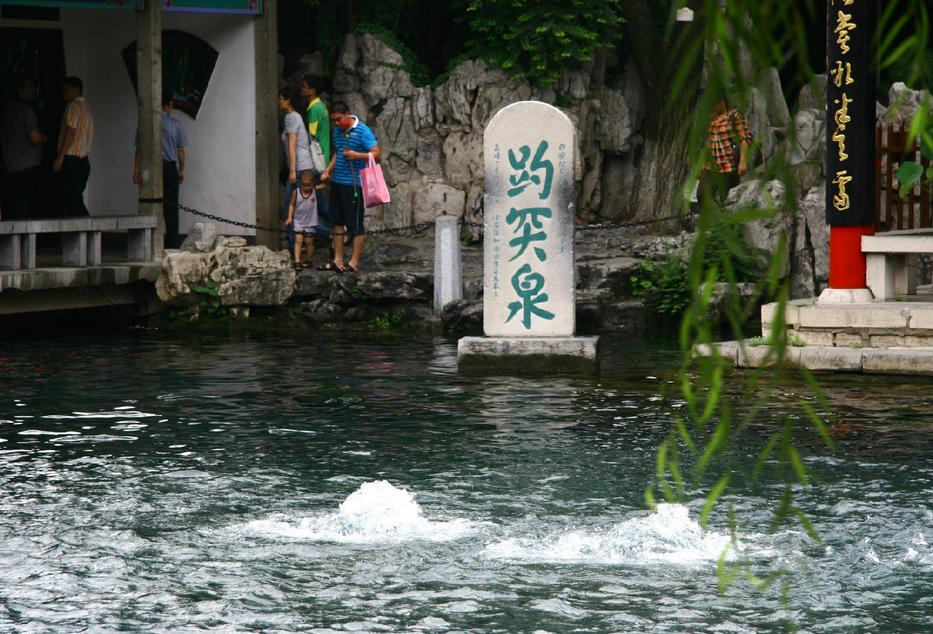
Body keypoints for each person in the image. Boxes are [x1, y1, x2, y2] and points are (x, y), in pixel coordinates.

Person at [319, 101, 380, 273]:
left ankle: (354, 262)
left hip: (355, 184)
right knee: (337, 222)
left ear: (347, 114)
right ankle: (337, 260)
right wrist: (328, 170)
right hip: (337, 182)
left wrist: (357, 155)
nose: (336, 124)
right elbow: (338, 152)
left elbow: (376, 154)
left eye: (339, 120)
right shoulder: (337, 132)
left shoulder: (362, 130)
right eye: (333, 121)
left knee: (355, 225)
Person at [134, 95, 188, 248]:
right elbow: (181, 151)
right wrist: (182, 170)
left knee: (149, 204)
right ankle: (171, 243)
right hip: (170, 168)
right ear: (167, 106)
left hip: (150, 169)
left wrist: (136, 171)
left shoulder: (144, 124)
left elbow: (139, 150)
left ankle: (149, 243)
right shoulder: (176, 125)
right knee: (171, 207)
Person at [1, 76, 46, 219]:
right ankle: (28, 240)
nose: (33, 91)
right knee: (27, 205)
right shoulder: (26, 111)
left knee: (14, 205)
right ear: (19, 90)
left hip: (10, 166)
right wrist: (46, 137)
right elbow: (34, 137)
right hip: (29, 166)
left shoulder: (6, 111)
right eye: (29, 87)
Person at [278, 84, 314, 258]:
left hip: (299, 168)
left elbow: (292, 144)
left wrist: (292, 171)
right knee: (313, 206)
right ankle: (336, 231)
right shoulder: (296, 117)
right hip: (303, 166)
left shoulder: (291, 117)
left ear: (288, 101)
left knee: (291, 207)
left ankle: (294, 246)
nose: (279, 102)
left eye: (280, 98)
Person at [697, 97, 753, 206]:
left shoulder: (735, 116)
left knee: (727, 199)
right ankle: (713, 219)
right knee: (702, 195)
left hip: (729, 166)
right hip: (711, 166)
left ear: (721, 101)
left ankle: (724, 221)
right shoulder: (711, 118)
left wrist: (743, 161)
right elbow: (709, 141)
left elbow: (745, 138)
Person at [54, 76, 93, 217]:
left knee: (71, 199)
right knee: (74, 197)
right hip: (83, 161)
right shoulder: (86, 109)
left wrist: (60, 157)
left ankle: (89, 229)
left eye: (67, 89)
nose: (64, 92)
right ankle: (86, 232)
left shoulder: (73, 106)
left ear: (77, 90)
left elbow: (70, 132)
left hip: (72, 159)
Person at [285, 170, 319, 269]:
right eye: (304, 185)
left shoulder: (314, 191)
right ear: (300, 183)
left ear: (312, 183)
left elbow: (325, 184)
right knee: (298, 241)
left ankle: (309, 259)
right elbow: (291, 204)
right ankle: (297, 260)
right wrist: (290, 217)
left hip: (310, 222)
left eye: (309, 185)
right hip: (298, 221)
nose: (307, 188)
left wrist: (326, 176)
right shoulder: (296, 192)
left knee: (309, 242)